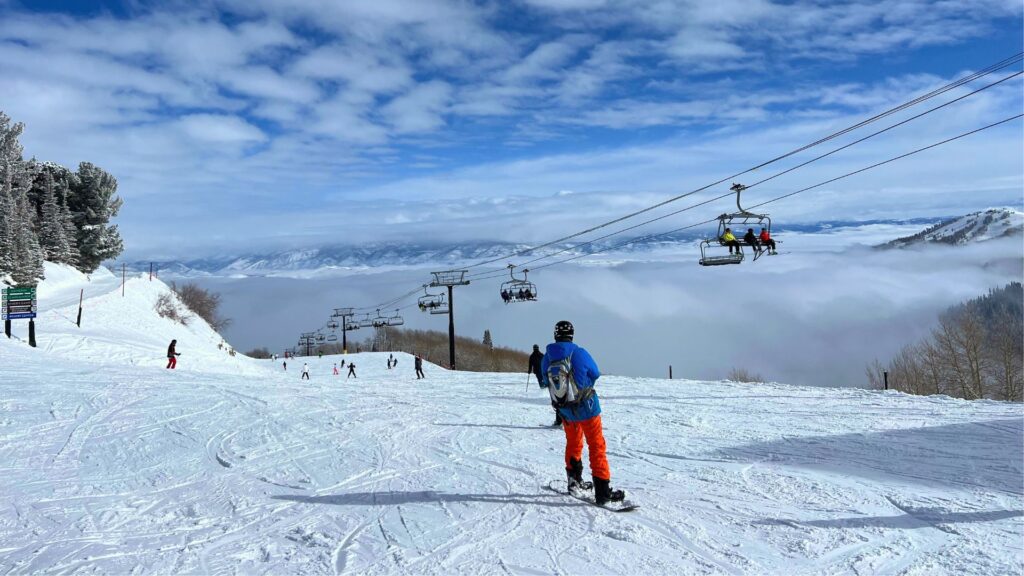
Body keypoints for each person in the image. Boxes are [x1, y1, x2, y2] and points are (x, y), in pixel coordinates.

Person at [542, 320, 624, 505]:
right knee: (596, 445)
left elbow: (545, 381)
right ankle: (603, 493)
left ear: (555, 335)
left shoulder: (547, 357)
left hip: (565, 410)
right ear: (572, 334)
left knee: (573, 442)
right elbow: (595, 373)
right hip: (587, 407)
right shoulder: (578, 352)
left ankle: (574, 482)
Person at [530, 344, 562, 426]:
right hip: (541, 371)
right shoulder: (541, 355)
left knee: (540, 380)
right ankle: (543, 386)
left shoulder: (533, 355)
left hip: (538, 371)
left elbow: (530, 364)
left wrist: (529, 370)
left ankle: (543, 386)